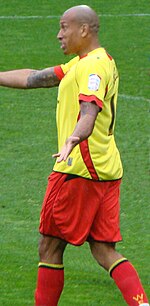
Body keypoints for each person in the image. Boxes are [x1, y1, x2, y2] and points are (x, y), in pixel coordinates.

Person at [0, 5, 149, 306]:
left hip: (77, 168)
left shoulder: (93, 67)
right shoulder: (85, 63)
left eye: (64, 27)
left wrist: (73, 139)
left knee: (49, 247)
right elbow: (35, 77)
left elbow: (89, 110)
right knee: (104, 249)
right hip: (106, 168)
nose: (58, 34)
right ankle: (141, 303)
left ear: (84, 30)